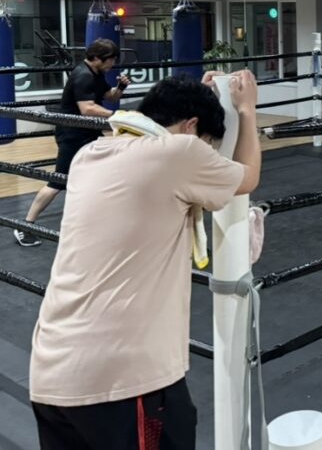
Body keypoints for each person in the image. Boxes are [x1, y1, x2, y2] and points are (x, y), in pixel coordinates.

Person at [29, 70, 261, 450]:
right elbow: (247, 178)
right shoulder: (180, 152)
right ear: (191, 127)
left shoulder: (90, 155)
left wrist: (199, 99)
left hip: (50, 375)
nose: (206, 152)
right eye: (208, 144)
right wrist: (247, 110)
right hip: (121, 382)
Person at [14, 39, 130, 247]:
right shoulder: (83, 75)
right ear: (98, 58)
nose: (113, 64)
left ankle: (96, 219)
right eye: (111, 60)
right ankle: (25, 226)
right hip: (72, 134)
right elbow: (88, 109)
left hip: (87, 132)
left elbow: (109, 96)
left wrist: (121, 86)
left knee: (103, 170)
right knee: (58, 181)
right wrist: (118, 116)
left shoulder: (96, 73)